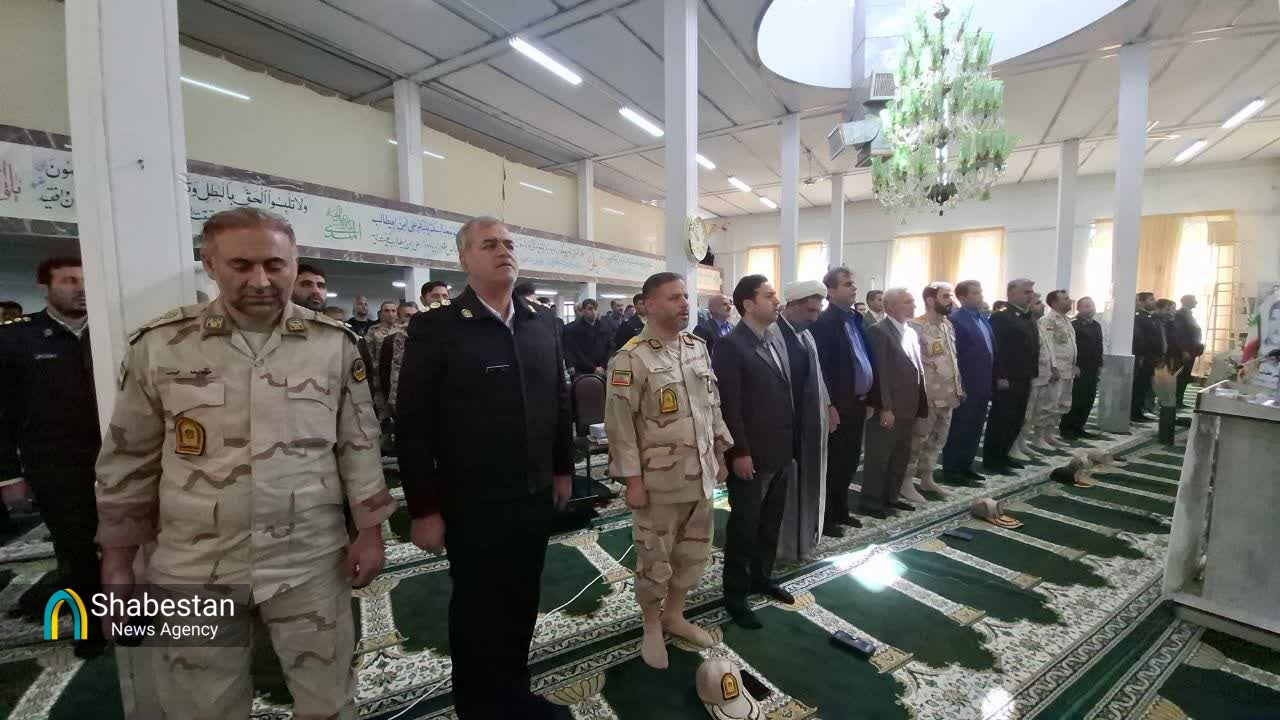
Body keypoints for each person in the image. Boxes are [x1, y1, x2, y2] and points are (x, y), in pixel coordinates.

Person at [95, 208, 393, 716]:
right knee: (202, 706)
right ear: (210, 265)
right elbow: (128, 458)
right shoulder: (161, 345)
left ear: (294, 265)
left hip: (309, 560)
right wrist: (118, 563)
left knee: (327, 700)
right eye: (241, 265)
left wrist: (370, 532)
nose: (260, 281)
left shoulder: (333, 344)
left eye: (275, 265)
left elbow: (358, 444)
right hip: (194, 566)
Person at [396, 216, 573, 719]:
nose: (503, 251)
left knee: (521, 599)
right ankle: (478, 707)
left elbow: (559, 402)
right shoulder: (437, 328)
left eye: (509, 243)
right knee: (478, 609)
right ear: (464, 259)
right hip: (471, 500)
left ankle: (515, 694)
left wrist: (563, 469)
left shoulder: (543, 324)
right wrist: (424, 509)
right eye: (489, 244)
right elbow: (413, 425)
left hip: (533, 493)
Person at [605, 271, 730, 669]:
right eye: (674, 297)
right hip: (659, 483)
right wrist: (633, 482)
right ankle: (650, 626)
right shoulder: (631, 358)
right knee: (654, 561)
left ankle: (674, 615)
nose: (684, 304)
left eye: (685, 297)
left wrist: (721, 454)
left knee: (692, 555)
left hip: (701, 476)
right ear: (648, 304)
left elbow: (712, 406)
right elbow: (620, 427)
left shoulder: (697, 348)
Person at [0, 256, 104, 656]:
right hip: (56, 466)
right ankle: (87, 630)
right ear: (44, 287)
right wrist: (9, 475)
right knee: (75, 551)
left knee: (131, 544)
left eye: (86, 280)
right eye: (69, 280)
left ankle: (131, 618)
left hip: (119, 461)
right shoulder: (15, 339)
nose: (81, 288)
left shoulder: (112, 330)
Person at [713, 275, 797, 628]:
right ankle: (735, 595)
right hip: (752, 455)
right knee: (744, 527)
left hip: (779, 450)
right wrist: (739, 453)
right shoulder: (731, 345)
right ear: (748, 304)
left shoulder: (773, 339)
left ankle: (761, 578)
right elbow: (729, 406)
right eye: (769, 295)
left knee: (769, 524)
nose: (777, 301)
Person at [809, 267, 873, 536]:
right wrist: (830, 405)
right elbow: (822, 369)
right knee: (833, 464)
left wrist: (871, 396)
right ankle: (825, 518)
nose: (854, 288)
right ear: (831, 291)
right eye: (847, 284)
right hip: (839, 406)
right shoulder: (824, 323)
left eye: (853, 283)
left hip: (858, 402)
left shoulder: (856, 320)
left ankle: (841, 509)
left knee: (849, 461)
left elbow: (864, 358)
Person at [775, 280, 836, 564]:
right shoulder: (773, 334)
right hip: (783, 428)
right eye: (810, 311)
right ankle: (783, 548)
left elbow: (818, 377)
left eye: (817, 311)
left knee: (807, 485)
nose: (814, 317)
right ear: (792, 305)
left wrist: (829, 407)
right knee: (786, 490)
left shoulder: (806, 336)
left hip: (808, 425)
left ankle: (802, 543)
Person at [862, 288, 927, 519]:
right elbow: (880, 372)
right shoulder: (879, 331)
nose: (913, 306)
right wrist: (885, 407)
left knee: (901, 455)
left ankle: (891, 497)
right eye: (907, 302)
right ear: (889, 307)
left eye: (913, 302)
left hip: (909, 405)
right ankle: (871, 501)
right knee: (880, 456)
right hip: (889, 408)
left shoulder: (911, 331)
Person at [901, 282, 963, 503]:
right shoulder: (915, 327)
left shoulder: (948, 325)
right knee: (916, 441)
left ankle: (927, 478)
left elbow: (951, 359)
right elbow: (909, 365)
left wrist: (959, 387)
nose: (950, 301)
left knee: (938, 440)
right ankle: (906, 482)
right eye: (945, 296)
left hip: (948, 395)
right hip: (926, 397)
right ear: (930, 300)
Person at [941, 280, 994, 486]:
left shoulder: (982, 318)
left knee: (976, 426)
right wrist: (959, 384)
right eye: (975, 293)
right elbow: (954, 357)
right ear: (962, 298)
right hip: (966, 384)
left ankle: (966, 466)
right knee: (960, 428)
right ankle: (953, 470)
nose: (981, 296)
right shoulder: (955, 320)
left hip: (983, 382)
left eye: (980, 291)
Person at [982, 279, 1039, 475]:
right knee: (1001, 419)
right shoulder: (1001, 317)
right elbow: (996, 349)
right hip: (1008, 379)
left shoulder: (1027, 316)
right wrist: (1000, 376)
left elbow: (1033, 347)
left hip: (1024, 377)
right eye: (1026, 292)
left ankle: (1004, 454)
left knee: (1016, 419)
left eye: (1031, 292)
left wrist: (1033, 372)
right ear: (1012, 294)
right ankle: (993, 459)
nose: (1031, 295)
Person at [1010, 294, 1053, 460]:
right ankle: (1013, 446)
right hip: (1029, 377)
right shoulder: (1025, 324)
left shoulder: (1038, 324)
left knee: (1035, 413)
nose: (1042, 306)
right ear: (1029, 306)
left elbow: (1048, 350)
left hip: (1042, 375)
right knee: (1024, 414)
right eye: (1037, 303)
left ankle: (1023, 443)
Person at [1033, 290, 1077, 449]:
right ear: (1055, 303)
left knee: (1061, 404)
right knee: (1048, 405)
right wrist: (1053, 367)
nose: (1070, 301)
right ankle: (1038, 437)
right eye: (1065, 299)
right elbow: (1048, 345)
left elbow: (1070, 346)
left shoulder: (1067, 320)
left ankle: (1049, 435)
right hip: (1056, 371)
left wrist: (1074, 364)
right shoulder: (1048, 320)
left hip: (1067, 370)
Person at [1061, 296, 1103, 440]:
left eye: (1092, 305)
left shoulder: (1096, 325)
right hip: (1078, 368)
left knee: (1088, 399)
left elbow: (1099, 346)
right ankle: (1067, 428)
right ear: (1079, 308)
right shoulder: (1073, 325)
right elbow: (1068, 348)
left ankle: (1079, 426)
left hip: (1092, 368)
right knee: (1075, 399)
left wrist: (1099, 365)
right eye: (1087, 306)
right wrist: (1073, 365)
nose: (1091, 308)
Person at [365, 300, 400, 418]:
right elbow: (369, 353)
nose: (390, 314)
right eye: (387, 311)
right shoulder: (373, 330)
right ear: (381, 313)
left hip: (397, 372)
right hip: (379, 373)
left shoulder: (402, 330)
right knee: (381, 406)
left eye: (393, 311)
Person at [1131, 292, 1162, 422]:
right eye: (1151, 299)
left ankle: (1139, 409)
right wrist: (1142, 355)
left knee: (1144, 386)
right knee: (1139, 385)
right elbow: (1140, 339)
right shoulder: (1139, 317)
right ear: (1142, 302)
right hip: (1144, 357)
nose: (1154, 301)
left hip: (1150, 357)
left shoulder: (1150, 317)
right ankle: (1135, 412)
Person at [563, 298, 610, 375]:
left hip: (603, 369)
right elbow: (575, 352)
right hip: (582, 370)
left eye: (595, 309)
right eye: (590, 309)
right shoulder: (572, 328)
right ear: (583, 311)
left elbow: (610, 347)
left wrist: (603, 366)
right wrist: (593, 368)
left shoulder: (604, 327)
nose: (594, 312)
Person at [1172, 295, 1204, 408]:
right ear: (1186, 301)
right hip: (1183, 352)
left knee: (1185, 377)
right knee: (1180, 377)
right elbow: (1179, 334)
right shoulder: (1180, 314)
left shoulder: (1189, 314)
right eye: (1194, 300)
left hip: (1191, 350)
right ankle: (1175, 401)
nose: (1196, 302)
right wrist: (1184, 350)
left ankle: (1180, 400)